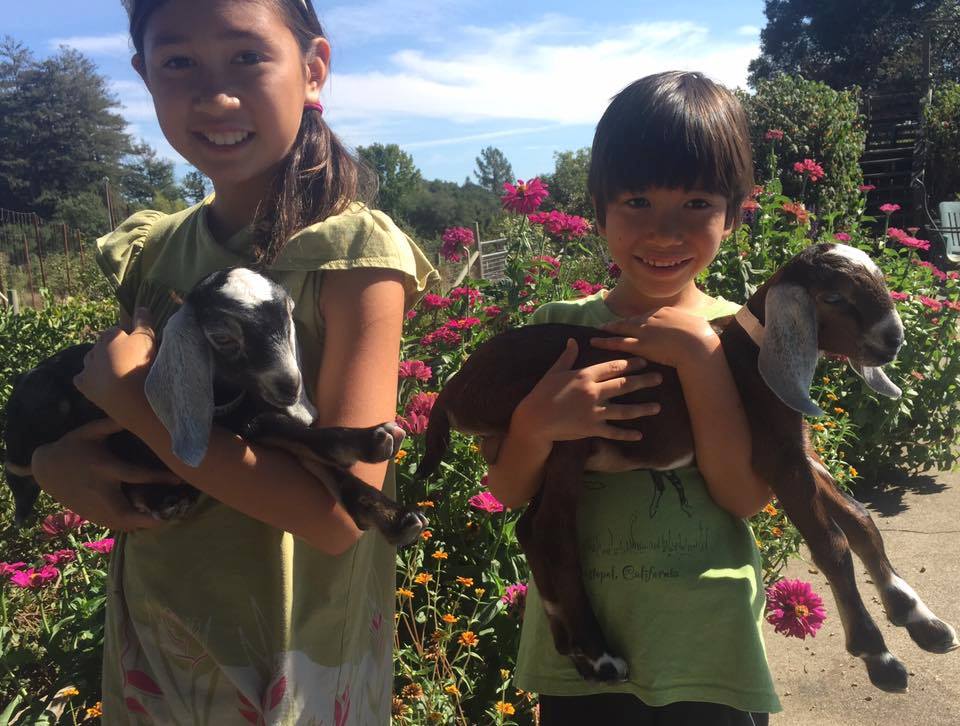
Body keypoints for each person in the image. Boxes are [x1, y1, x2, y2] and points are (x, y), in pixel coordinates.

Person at [30, 0, 437, 722]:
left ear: (313, 70)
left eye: (247, 57)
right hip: (160, 638)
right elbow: (112, 404)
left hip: (291, 656)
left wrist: (139, 409)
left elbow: (338, 516)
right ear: (144, 77)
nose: (214, 95)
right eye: (178, 62)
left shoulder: (352, 257)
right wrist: (52, 464)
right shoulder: (155, 249)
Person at [485, 71, 782, 725]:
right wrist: (536, 426)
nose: (665, 231)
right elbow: (507, 489)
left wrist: (702, 358)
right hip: (582, 659)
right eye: (638, 202)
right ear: (600, 209)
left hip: (709, 652)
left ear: (734, 210)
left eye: (697, 203)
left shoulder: (745, 340)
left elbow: (746, 497)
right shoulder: (559, 328)